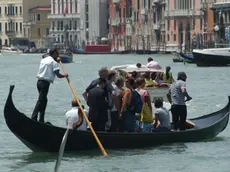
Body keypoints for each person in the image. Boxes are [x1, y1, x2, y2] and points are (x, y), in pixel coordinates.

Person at [31, 48, 68, 123]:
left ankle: (41, 119)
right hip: (45, 83)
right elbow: (58, 75)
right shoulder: (53, 62)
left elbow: (49, 64)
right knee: (41, 100)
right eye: (57, 54)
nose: (58, 55)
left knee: (44, 100)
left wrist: (56, 61)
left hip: (39, 82)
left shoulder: (43, 60)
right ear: (54, 54)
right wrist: (65, 75)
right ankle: (33, 117)